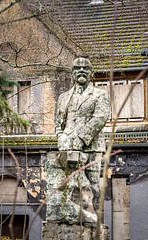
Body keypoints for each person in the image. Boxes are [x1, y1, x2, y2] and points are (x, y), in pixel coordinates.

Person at [55, 56, 110, 211]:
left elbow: (100, 118)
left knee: (93, 185)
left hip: (92, 146)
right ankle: (71, 216)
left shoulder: (100, 95)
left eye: (85, 68)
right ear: (72, 73)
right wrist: (61, 137)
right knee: (69, 184)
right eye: (77, 68)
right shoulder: (63, 97)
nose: (81, 71)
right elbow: (58, 122)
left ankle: (94, 221)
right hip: (67, 147)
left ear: (91, 72)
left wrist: (81, 138)